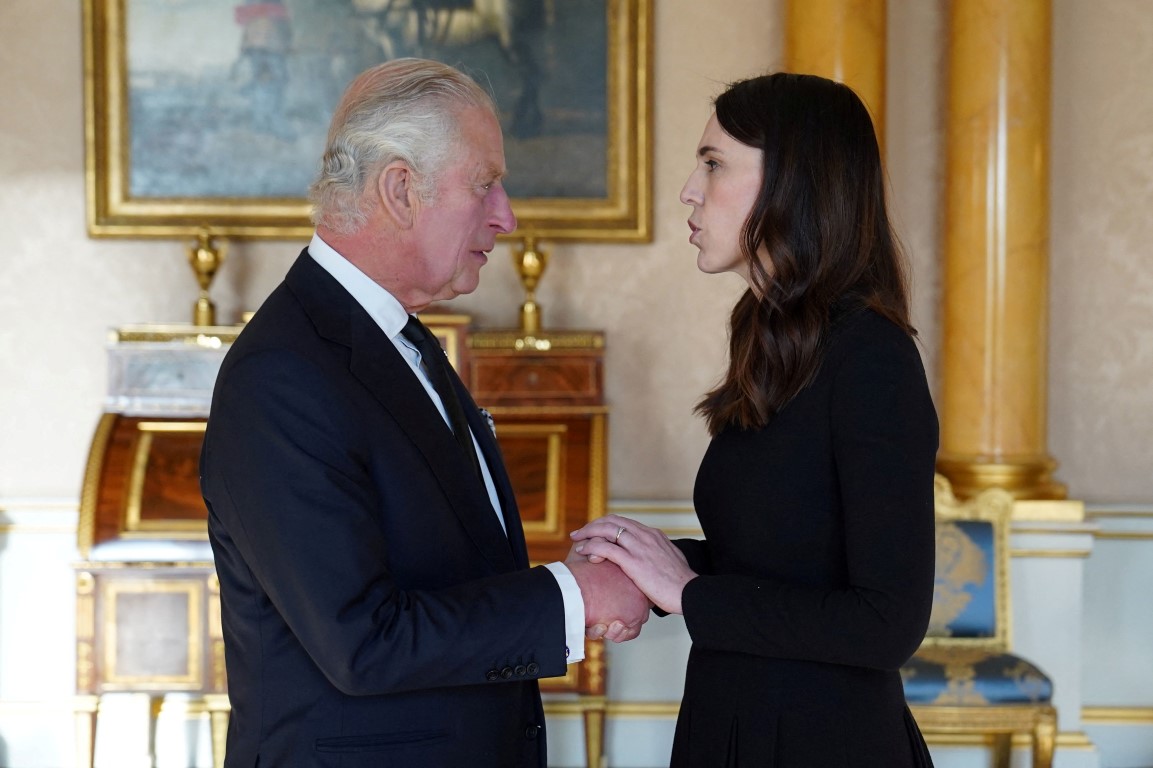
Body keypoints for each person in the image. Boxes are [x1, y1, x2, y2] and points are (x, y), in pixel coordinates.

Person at [200, 57, 649, 768]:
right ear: (400, 189)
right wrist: (570, 597)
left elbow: (446, 575)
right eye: (485, 184)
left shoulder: (396, 336)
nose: (506, 216)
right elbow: (362, 641)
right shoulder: (283, 373)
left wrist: (577, 580)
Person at [571, 72, 940, 767]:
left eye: (713, 164)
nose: (688, 188)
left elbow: (885, 623)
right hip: (731, 720)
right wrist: (654, 564)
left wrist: (687, 592)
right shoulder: (770, 336)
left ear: (791, 185)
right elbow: (777, 562)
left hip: (821, 743)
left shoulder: (871, 357)